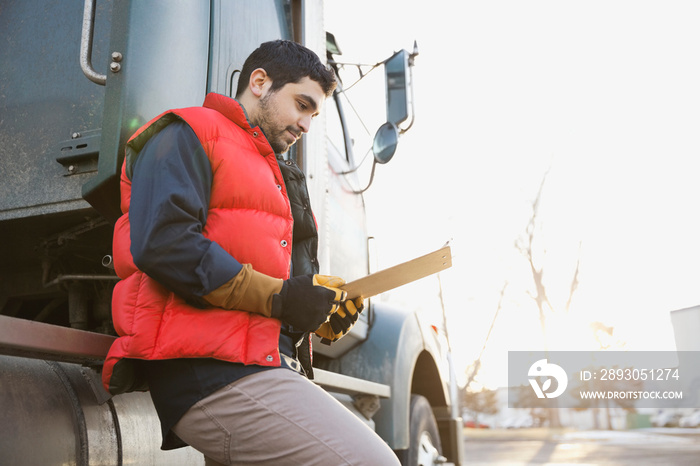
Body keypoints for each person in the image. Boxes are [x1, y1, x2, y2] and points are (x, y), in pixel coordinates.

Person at [101, 40, 401, 465]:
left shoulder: (278, 173)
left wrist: (314, 314)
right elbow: (165, 246)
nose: (305, 124)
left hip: (257, 368)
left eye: (314, 114)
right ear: (259, 82)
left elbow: (271, 291)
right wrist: (281, 296)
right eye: (301, 104)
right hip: (211, 373)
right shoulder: (186, 131)